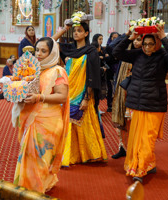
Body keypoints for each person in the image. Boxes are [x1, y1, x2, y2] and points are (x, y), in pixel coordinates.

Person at [112, 24, 168, 183]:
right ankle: (148, 163)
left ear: (157, 43)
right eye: (145, 43)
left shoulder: (163, 57)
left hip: (154, 104)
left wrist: (164, 38)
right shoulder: (137, 54)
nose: (147, 47)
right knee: (136, 138)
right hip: (135, 102)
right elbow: (116, 52)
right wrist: (128, 37)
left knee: (147, 138)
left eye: (151, 44)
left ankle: (141, 169)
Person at [13, 37, 69, 193]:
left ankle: (36, 190)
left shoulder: (58, 71)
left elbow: (62, 97)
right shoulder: (32, 70)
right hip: (32, 118)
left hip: (48, 123)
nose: (38, 54)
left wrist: (39, 97)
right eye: (37, 50)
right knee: (29, 156)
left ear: (52, 53)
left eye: (44, 51)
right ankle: (29, 186)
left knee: (41, 159)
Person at [52, 20, 107, 166]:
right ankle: (69, 154)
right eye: (75, 30)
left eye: (80, 30)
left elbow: (93, 75)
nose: (76, 33)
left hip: (83, 94)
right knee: (68, 123)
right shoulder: (68, 49)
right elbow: (50, 42)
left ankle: (90, 154)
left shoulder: (91, 52)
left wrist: (87, 98)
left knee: (83, 123)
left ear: (86, 33)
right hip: (68, 92)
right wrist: (64, 29)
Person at [111, 34, 143, 159]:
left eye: (139, 39)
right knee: (122, 120)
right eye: (134, 39)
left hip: (136, 93)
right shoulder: (126, 52)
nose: (136, 42)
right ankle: (123, 147)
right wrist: (128, 35)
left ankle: (136, 149)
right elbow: (113, 47)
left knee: (133, 122)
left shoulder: (144, 56)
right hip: (122, 91)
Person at [104, 32, 120, 112]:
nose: (115, 39)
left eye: (117, 37)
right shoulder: (108, 47)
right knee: (110, 88)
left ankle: (117, 105)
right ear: (110, 38)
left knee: (118, 88)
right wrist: (114, 58)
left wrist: (111, 57)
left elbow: (118, 57)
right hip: (110, 70)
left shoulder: (121, 46)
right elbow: (108, 59)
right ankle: (109, 105)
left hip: (118, 70)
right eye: (113, 37)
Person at [92, 34, 109, 102]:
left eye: (102, 39)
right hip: (95, 72)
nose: (101, 41)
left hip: (102, 71)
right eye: (100, 39)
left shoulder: (102, 48)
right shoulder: (92, 47)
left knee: (100, 89)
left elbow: (107, 57)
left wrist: (103, 57)